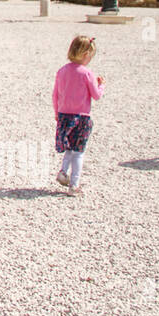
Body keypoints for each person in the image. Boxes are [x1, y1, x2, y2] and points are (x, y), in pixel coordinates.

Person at [52, 35, 104, 196]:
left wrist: (57, 113)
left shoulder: (62, 71)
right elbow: (96, 95)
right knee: (79, 151)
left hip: (64, 115)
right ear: (85, 54)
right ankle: (74, 184)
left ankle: (63, 171)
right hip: (81, 117)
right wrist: (100, 85)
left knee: (69, 148)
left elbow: (55, 95)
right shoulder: (87, 73)